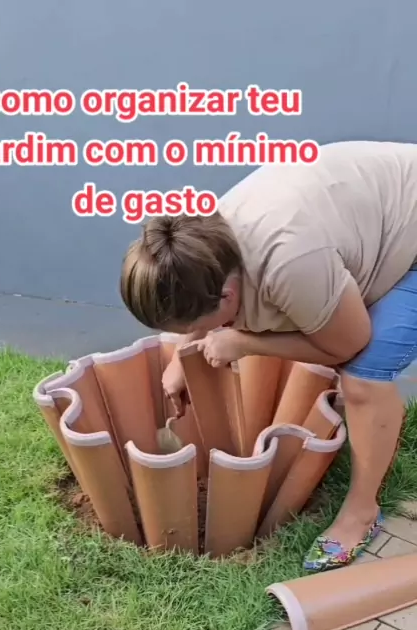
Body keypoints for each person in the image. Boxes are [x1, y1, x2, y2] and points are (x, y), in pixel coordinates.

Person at [120, 140, 417, 571]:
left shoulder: (289, 264)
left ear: (226, 294)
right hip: (374, 213)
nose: (190, 335)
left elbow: (349, 344)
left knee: (363, 375)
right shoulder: (198, 245)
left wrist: (245, 343)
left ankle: (361, 513)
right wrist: (181, 357)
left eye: (190, 327)